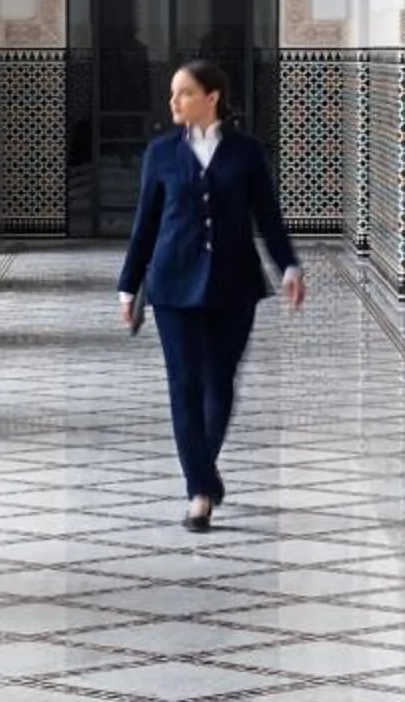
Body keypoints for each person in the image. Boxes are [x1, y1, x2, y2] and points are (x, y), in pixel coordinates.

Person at [117, 58, 304, 530]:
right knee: (184, 385)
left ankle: (204, 469)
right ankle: (199, 490)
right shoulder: (160, 153)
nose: (173, 101)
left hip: (234, 283)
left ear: (212, 97)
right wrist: (128, 285)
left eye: (184, 92)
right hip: (172, 285)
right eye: (173, 93)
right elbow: (145, 224)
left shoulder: (246, 152)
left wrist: (288, 266)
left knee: (219, 384)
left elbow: (268, 216)